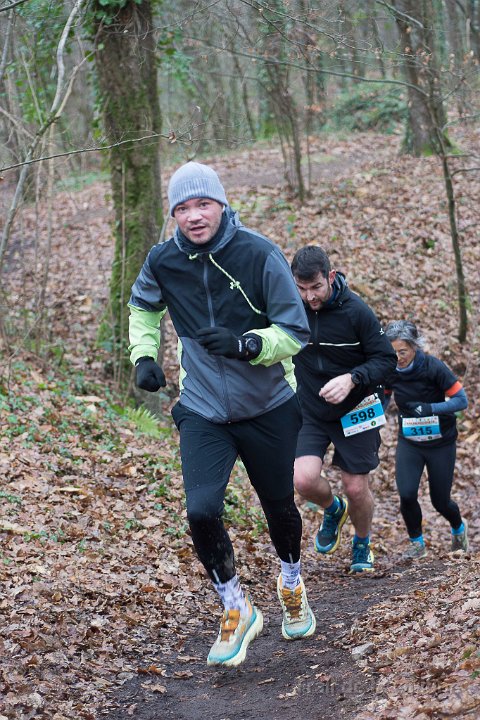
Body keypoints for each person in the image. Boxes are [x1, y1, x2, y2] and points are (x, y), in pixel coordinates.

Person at [128, 161, 316, 668]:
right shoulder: (164, 260)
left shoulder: (258, 253)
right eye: (183, 208)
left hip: (268, 404)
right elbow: (143, 307)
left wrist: (247, 344)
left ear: (222, 205)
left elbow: (295, 331)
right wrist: (143, 355)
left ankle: (291, 581)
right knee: (201, 511)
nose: (194, 216)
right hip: (203, 407)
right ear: (173, 214)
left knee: (279, 508)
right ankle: (236, 606)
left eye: (203, 204)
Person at [290, 246, 397, 573]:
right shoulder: (290, 308)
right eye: (302, 288)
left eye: (316, 287)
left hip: (357, 407)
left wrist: (353, 378)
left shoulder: (357, 312)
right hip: (312, 408)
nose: (309, 297)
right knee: (303, 480)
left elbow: (386, 360)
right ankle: (333, 508)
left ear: (331, 277)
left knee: (355, 486)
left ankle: (362, 542)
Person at [384, 320, 469, 558]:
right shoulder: (389, 369)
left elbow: (461, 400)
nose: (398, 357)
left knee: (440, 501)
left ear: (414, 347)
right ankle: (417, 544)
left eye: (403, 351)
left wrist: (430, 408)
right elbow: (385, 395)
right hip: (410, 441)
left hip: (440, 443)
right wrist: (375, 414)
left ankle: (458, 529)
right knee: (407, 494)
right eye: (393, 352)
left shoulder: (433, 367)